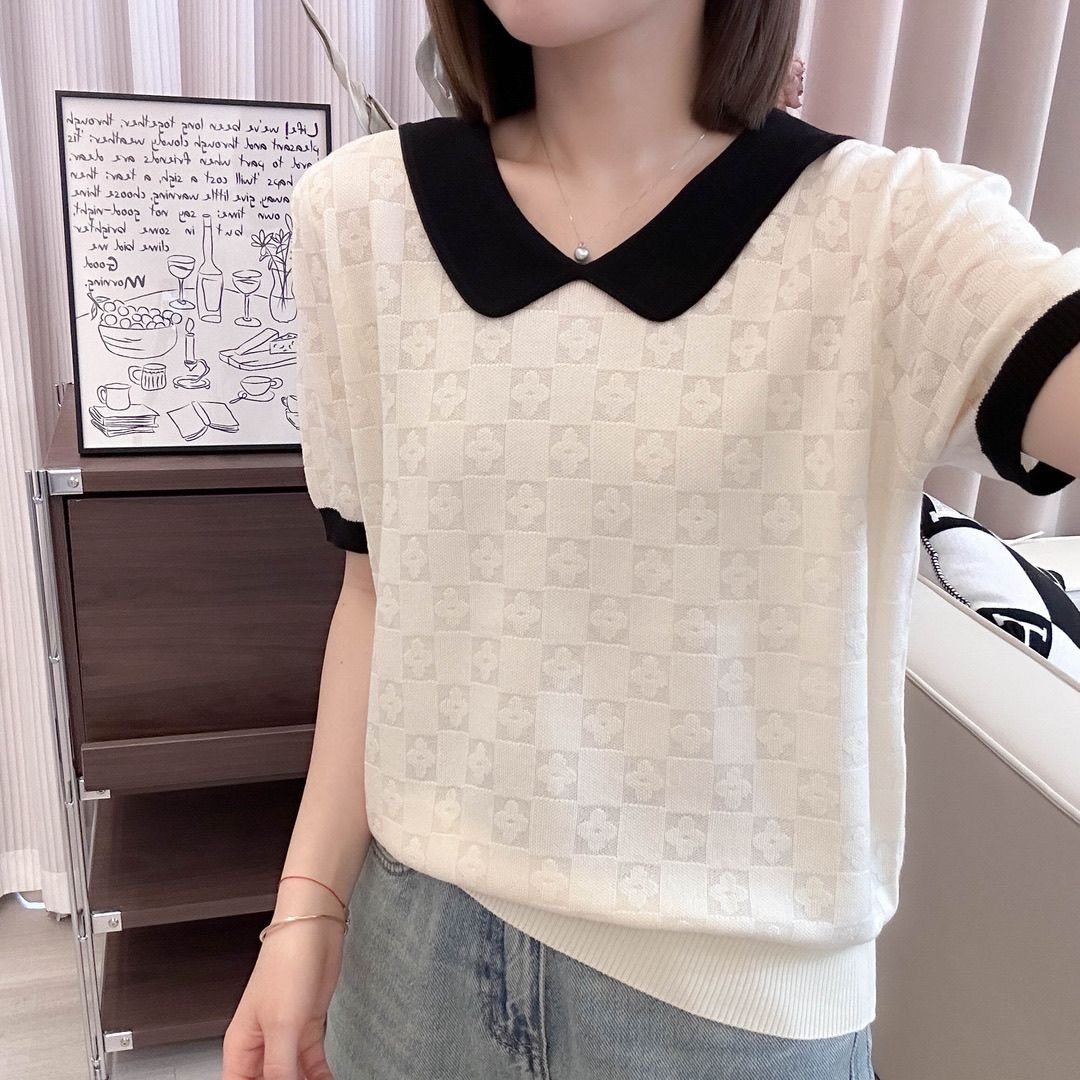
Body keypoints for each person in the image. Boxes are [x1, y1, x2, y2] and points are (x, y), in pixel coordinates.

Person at [222, 1, 1080, 1078]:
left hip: (728, 1019)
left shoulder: (891, 235)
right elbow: (377, 592)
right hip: (410, 965)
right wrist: (307, 906)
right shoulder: (358, 215)